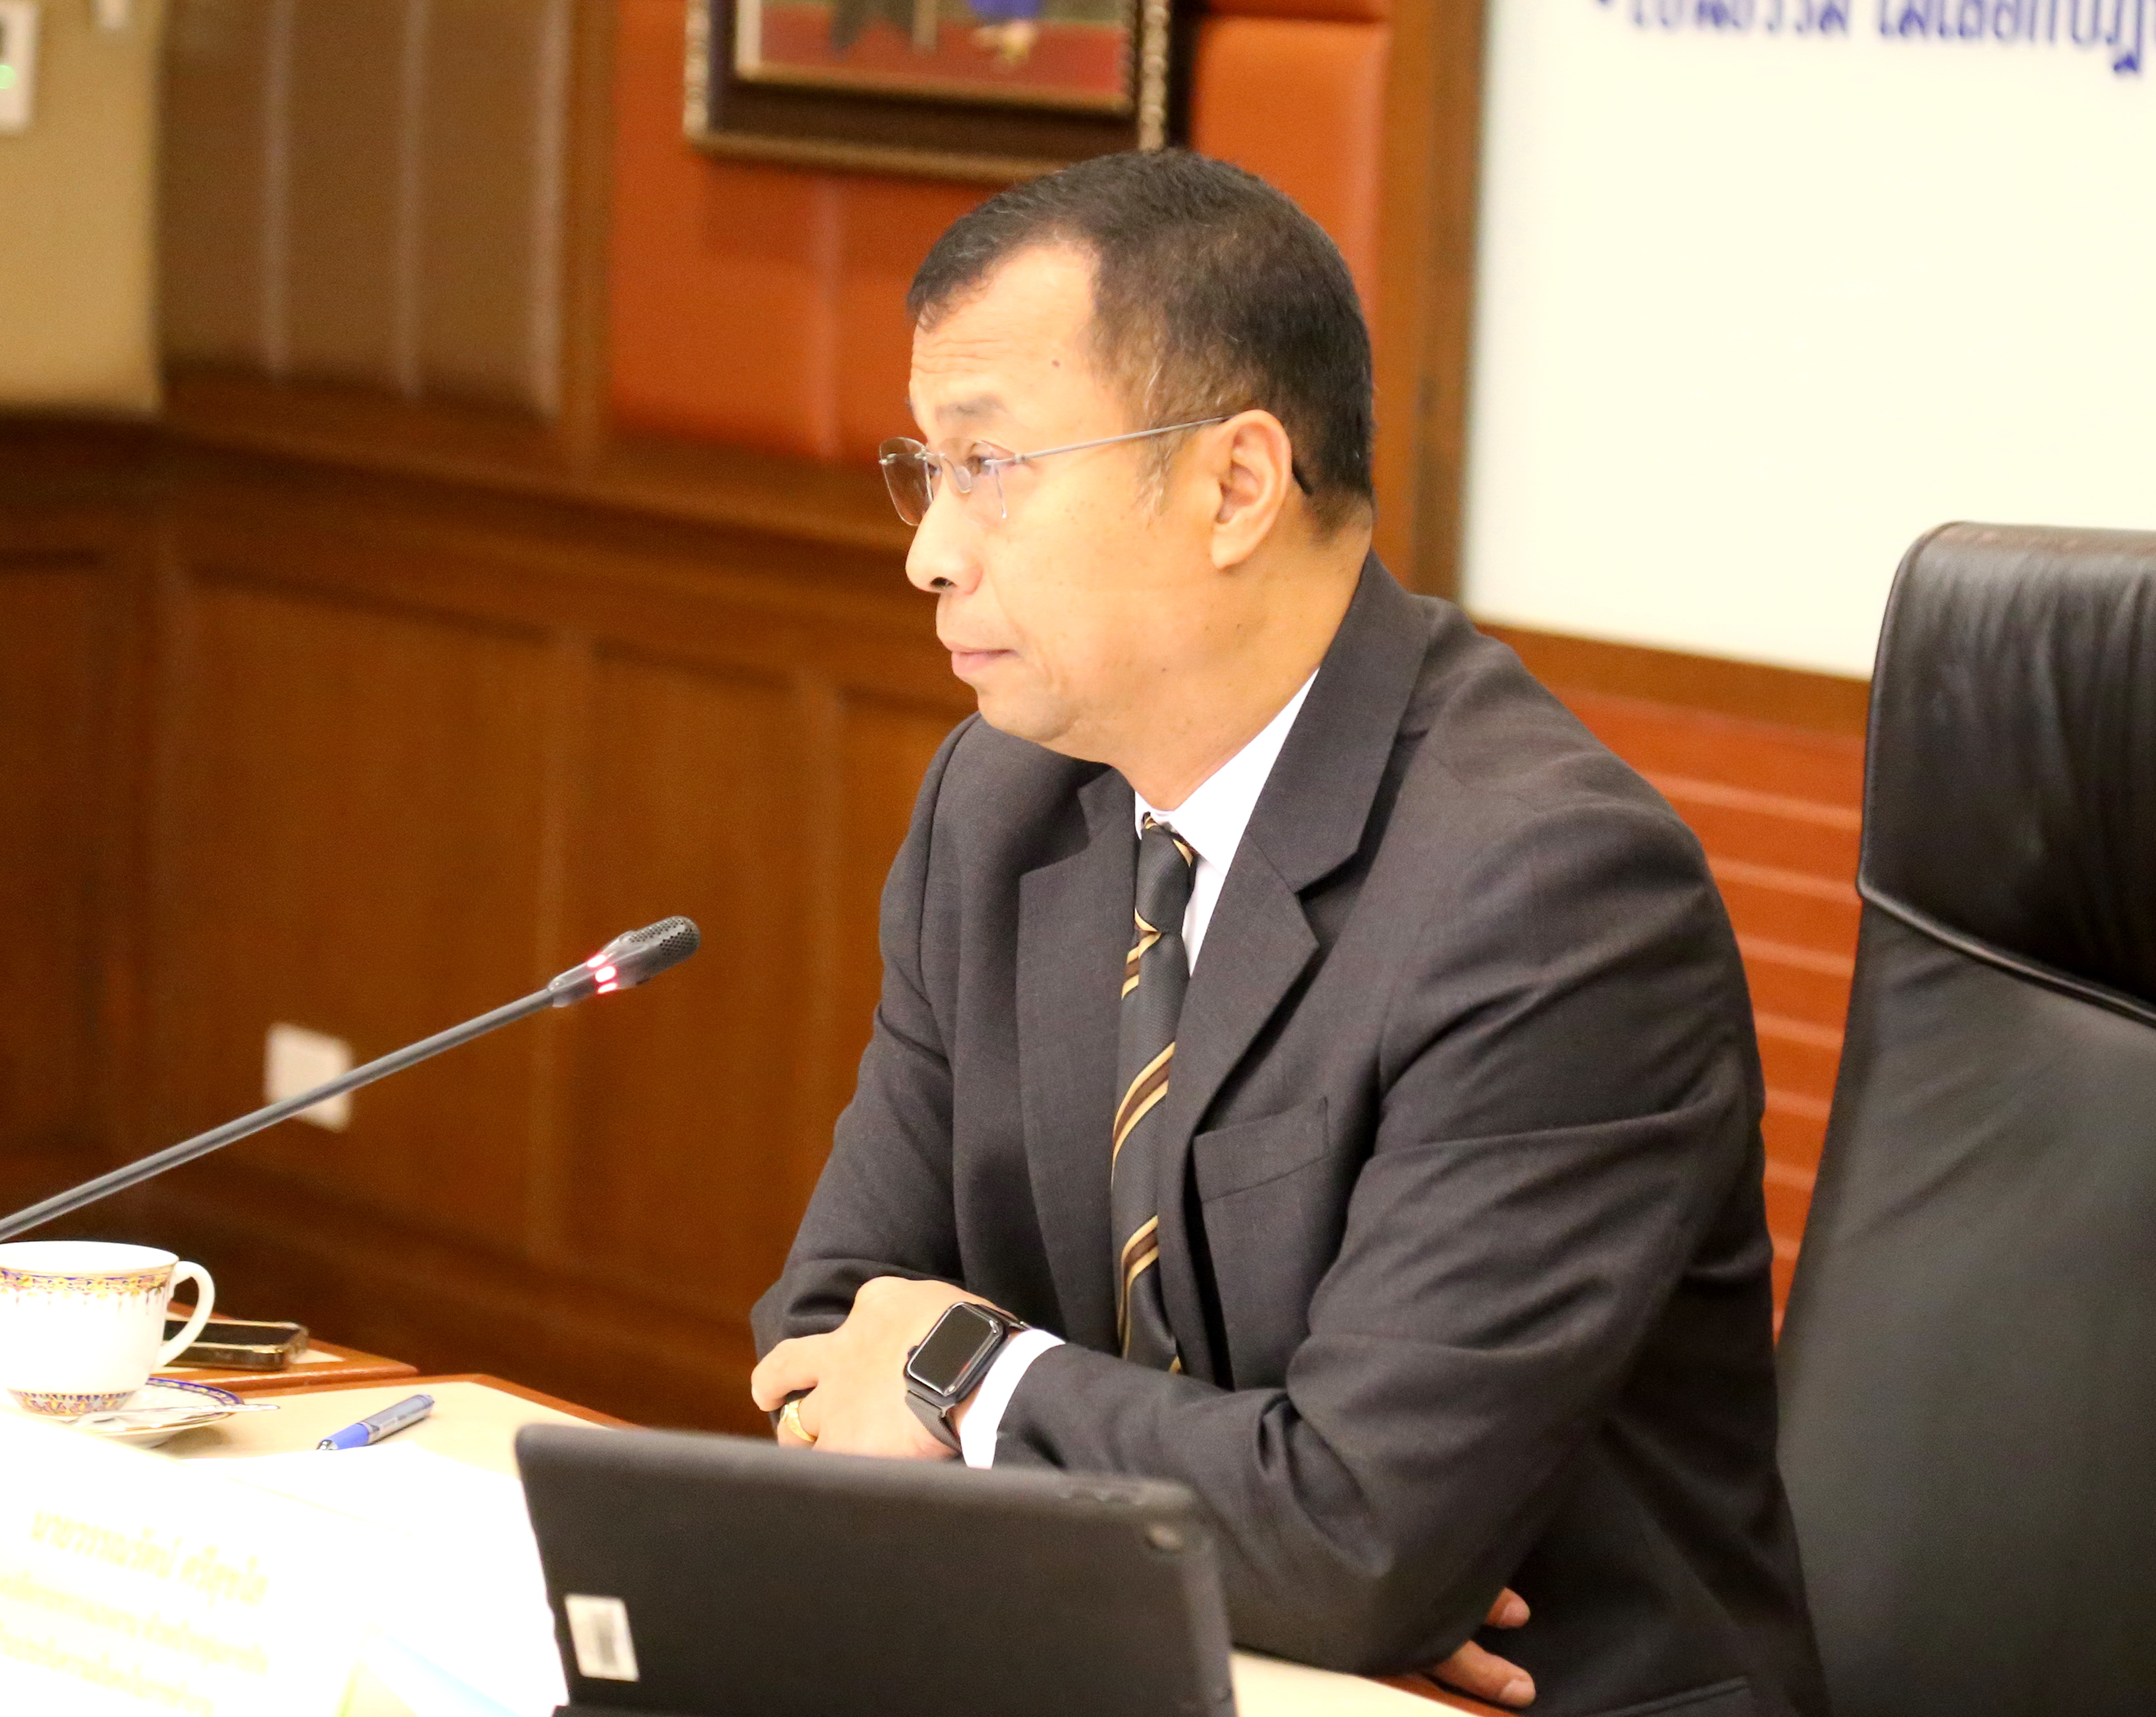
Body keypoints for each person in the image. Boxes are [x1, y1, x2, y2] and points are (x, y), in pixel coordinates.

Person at [749, 149, 1827, 1716]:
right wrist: (1244, 1569)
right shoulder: (1003, 805)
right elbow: (822, 1338)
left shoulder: (1550, 890)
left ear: (1236, 485)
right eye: (927, 468)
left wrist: (968, 1382)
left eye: (991, 466)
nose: (930, 548)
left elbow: (1356, 1534)